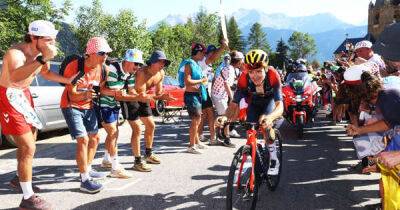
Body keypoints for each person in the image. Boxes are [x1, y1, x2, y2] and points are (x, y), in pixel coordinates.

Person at [0, 20, 75, 209]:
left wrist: (68, 80)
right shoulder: (15, 53)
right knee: (28, 147)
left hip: (24, 94)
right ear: (34, 38)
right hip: (9, 94)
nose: (52, 44)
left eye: (53, 40)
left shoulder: (43, 53)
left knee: (31, 138)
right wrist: (42, 59)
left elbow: (46, 74)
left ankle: (19, 178)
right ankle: (27, 198)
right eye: (48, 40)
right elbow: (16, 76)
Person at [218, 49, 284, 175]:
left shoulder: (272, 75)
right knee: (250, 131)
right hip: (253, 102)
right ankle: (254, 153)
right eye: (251, 72)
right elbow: (234, 103)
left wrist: (270, 117)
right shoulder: (244, 78)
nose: (255, 76)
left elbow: (280, 106)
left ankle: (274, 158)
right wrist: (225, 117)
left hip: (269, 102)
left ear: (265, 69)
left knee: (265, 125)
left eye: (259, 71)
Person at [60, 37, 112, 193]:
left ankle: (87, 169)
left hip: (88, 106)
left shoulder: (103, 69)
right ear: (90, 53)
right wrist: (87, 95)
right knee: (83, 139)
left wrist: (117, 93)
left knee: (95, 137)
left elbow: (100, 90)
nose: (105, 57)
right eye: (102, 53)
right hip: (71, 105)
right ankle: (84, 180)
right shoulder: (75, 66)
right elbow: (73, 95)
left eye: (107, 53)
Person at [99, 49, 149, 178]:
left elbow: (130, 91)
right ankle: (115, 168)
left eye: (139, 65)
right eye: (136, 64)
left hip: (113, 104)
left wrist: (139, 95)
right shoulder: (112, 69)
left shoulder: (130, 73)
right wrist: (137, 97)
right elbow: (110, 92)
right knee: (112, 133)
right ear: (127, 61)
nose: (138, 67)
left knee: (113, 133)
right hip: (102, 103)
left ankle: (106, 160)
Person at [129, 50, 175, 171]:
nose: (162, 65)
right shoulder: (141, 73)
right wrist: (157, 97)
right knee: (137, 129)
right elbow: (139, 93)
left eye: (164, 63)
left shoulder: (161, 73)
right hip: (131, 98)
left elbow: (158, 93)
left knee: (151, 125)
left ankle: (148, 154)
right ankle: (137, 161)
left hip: (144, 98)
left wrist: (164, 96)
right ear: (152, 62)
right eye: (160, 62)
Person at [197, 41, 229, 144]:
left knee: (205, 115)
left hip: (205, 90)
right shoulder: (204, 60)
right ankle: (212, 138)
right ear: (207, 53)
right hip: (200, 90)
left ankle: (200, 135)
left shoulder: (209, 64)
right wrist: (223, 47)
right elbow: (214, 57)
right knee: (210, 114)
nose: (214, 54)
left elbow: (212, 79)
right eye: (212, 52)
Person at [211, 51, 244, 143]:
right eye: (242, 60)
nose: (242, 62)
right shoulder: (230, 69)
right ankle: (226, 138)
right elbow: (226, 84)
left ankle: (219, 136)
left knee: (223, 116)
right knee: (226, 116)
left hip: (219, 94)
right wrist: (233, 98)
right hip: (219, 96)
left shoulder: (229, 68)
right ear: (238, 61)